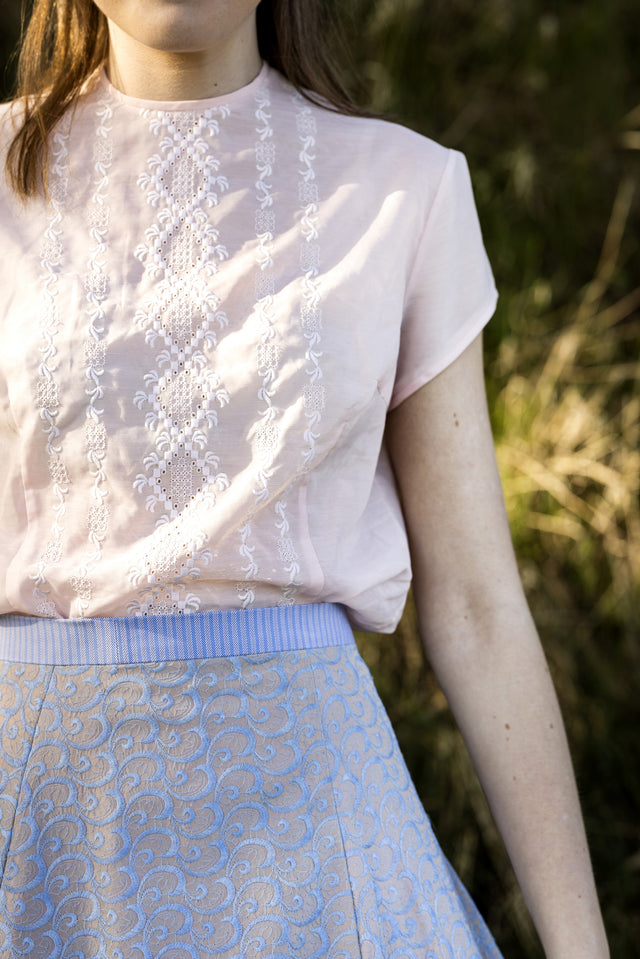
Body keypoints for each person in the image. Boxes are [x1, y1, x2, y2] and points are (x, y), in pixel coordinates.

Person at [0, 1, 609, 957]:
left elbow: (480, 606)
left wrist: (582, 946)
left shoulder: (407, 190)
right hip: (38, 836)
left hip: (326, 856)